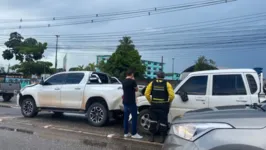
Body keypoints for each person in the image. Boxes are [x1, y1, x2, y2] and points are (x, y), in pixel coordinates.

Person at [144, 71, 175, 143]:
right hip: (163, 105)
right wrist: (168, 101)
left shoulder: (152, 83)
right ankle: (162, 138)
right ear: (164, 77)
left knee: (153, 121)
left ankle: (152, 137)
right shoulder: (167, 84)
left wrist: (150, 101)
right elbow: (172, 95)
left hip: (154, 105)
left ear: (157, 76)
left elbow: (146, 93)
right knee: (163, 122)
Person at [122, 69, 143, 139]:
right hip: (132, 102)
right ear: (131, 74)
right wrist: (133, 80)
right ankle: (134, 133)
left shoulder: (123, 81)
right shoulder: (132, 81)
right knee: (134, 118)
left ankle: (126, 133)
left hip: (125, 102)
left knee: (126, 118)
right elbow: (136, 89)